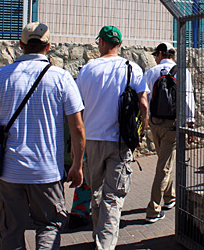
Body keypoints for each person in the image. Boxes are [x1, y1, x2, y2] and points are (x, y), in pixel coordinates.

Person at [0, 22, 86, 250]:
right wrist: (77, 165)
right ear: (48, 47)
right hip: (47, 172)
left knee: (11, 231)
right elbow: (77, 128)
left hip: (8, 172)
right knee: (49, 227)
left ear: (21, 45)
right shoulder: (62, 78)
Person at [76, 26, 149, 250]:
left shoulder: (87, 70)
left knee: (97, 195)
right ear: (119, 44)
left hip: (92, 141)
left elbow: (77, 108)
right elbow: (144, 104)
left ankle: (100, 240)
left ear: (102, 43)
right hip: (119, 142)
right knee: (113, 197)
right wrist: (141, 132)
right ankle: (105, 245)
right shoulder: (132, 68)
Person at [143, 42, 195, 223]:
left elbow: (145, 99)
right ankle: (154, 209)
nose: (154, 58)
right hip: (173, 125)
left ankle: (168, 198)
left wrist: (146, 122)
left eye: (155, 55)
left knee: (164, 163)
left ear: (160, 54)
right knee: (164, 165)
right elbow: (188, 98)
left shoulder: (150, 72)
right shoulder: (183, 72)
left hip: (155, 124)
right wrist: (190, 123)